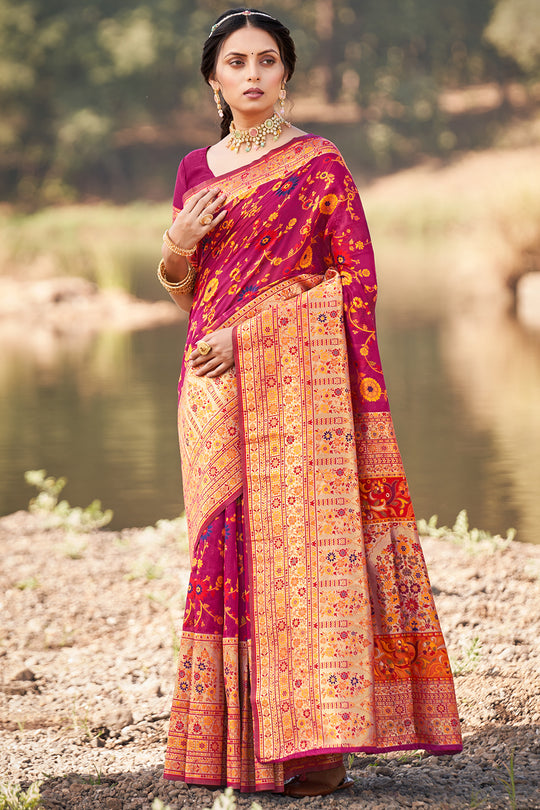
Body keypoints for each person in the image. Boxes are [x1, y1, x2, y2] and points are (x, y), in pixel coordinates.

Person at [159, 7, 462, 798]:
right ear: (213, 78)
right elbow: (181, 290)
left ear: (286, 73)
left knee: (299, 547)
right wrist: (177, 245)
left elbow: (352, 284)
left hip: (292, 389)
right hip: (211, 386)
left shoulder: (318, 164)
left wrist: (253, 338)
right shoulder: (196, 169)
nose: (252, 74)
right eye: (236, 62)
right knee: (224, 549)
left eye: (266, 60)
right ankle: (238, 749)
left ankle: (310, 748)